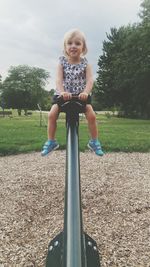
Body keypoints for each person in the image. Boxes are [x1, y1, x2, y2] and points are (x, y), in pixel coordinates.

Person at [41, 29, 104, 156]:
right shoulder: (62, 62)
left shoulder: (85, 64)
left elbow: (90, 80)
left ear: (83, 47)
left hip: (80, 96)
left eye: (77, 43)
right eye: (69, 43)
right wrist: (62, 91)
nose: (73, 46)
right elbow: (58, 79)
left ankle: (94, 141)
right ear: (65, 47)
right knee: (52, 114)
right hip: (63, 95)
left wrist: (86, 92)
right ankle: (51, 141)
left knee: (91, 115)